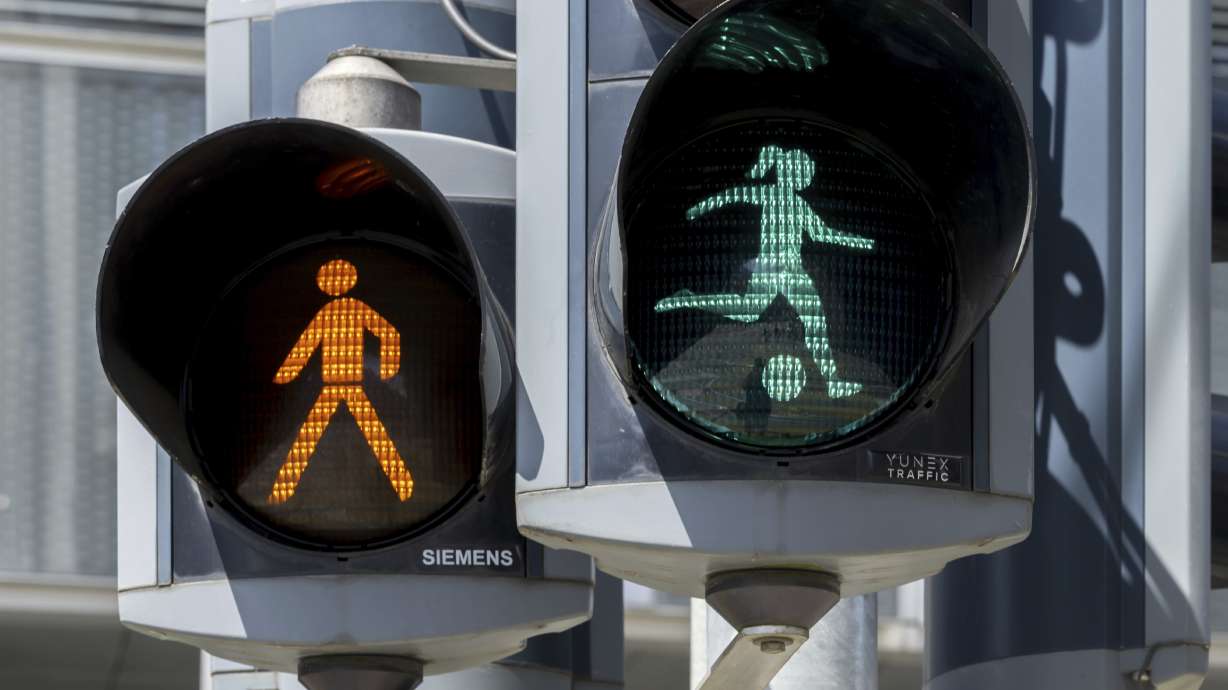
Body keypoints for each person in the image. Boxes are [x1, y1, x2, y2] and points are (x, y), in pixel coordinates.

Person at [655, 144, 874, 400]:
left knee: (811, 320)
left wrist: (858, 241)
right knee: (755, 312)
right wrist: (703, 206)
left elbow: (822, 233)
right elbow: (736, 194)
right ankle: (688, 298)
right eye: (805, 172)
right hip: (772, 267)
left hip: (789, 268)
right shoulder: (769, 194)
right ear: (792, 173)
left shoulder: (799, 204)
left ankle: (833, 382)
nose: (808, 178)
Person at [266, 258, 414, 505]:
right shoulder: (343, 310)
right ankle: (404, 485)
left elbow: (388, 333)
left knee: (313, 437)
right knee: (319, 436)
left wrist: (287, 374)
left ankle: (283, 490)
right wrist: (287, 373)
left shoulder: (349, 309)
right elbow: (307, 344)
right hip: (339, 384)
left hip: (346, 383)